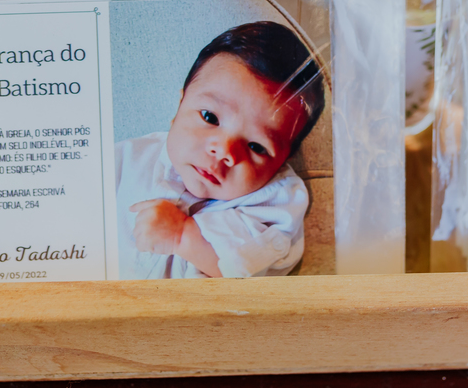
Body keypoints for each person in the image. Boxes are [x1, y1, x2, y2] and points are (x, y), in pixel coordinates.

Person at [115, 21, 326, 278]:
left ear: (283, 160)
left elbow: (248, 276)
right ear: (179, 105)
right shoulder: (125, 159)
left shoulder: (277, 200)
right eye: (209, 117)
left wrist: (182, 236)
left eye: (256, 146)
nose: (224, 150)